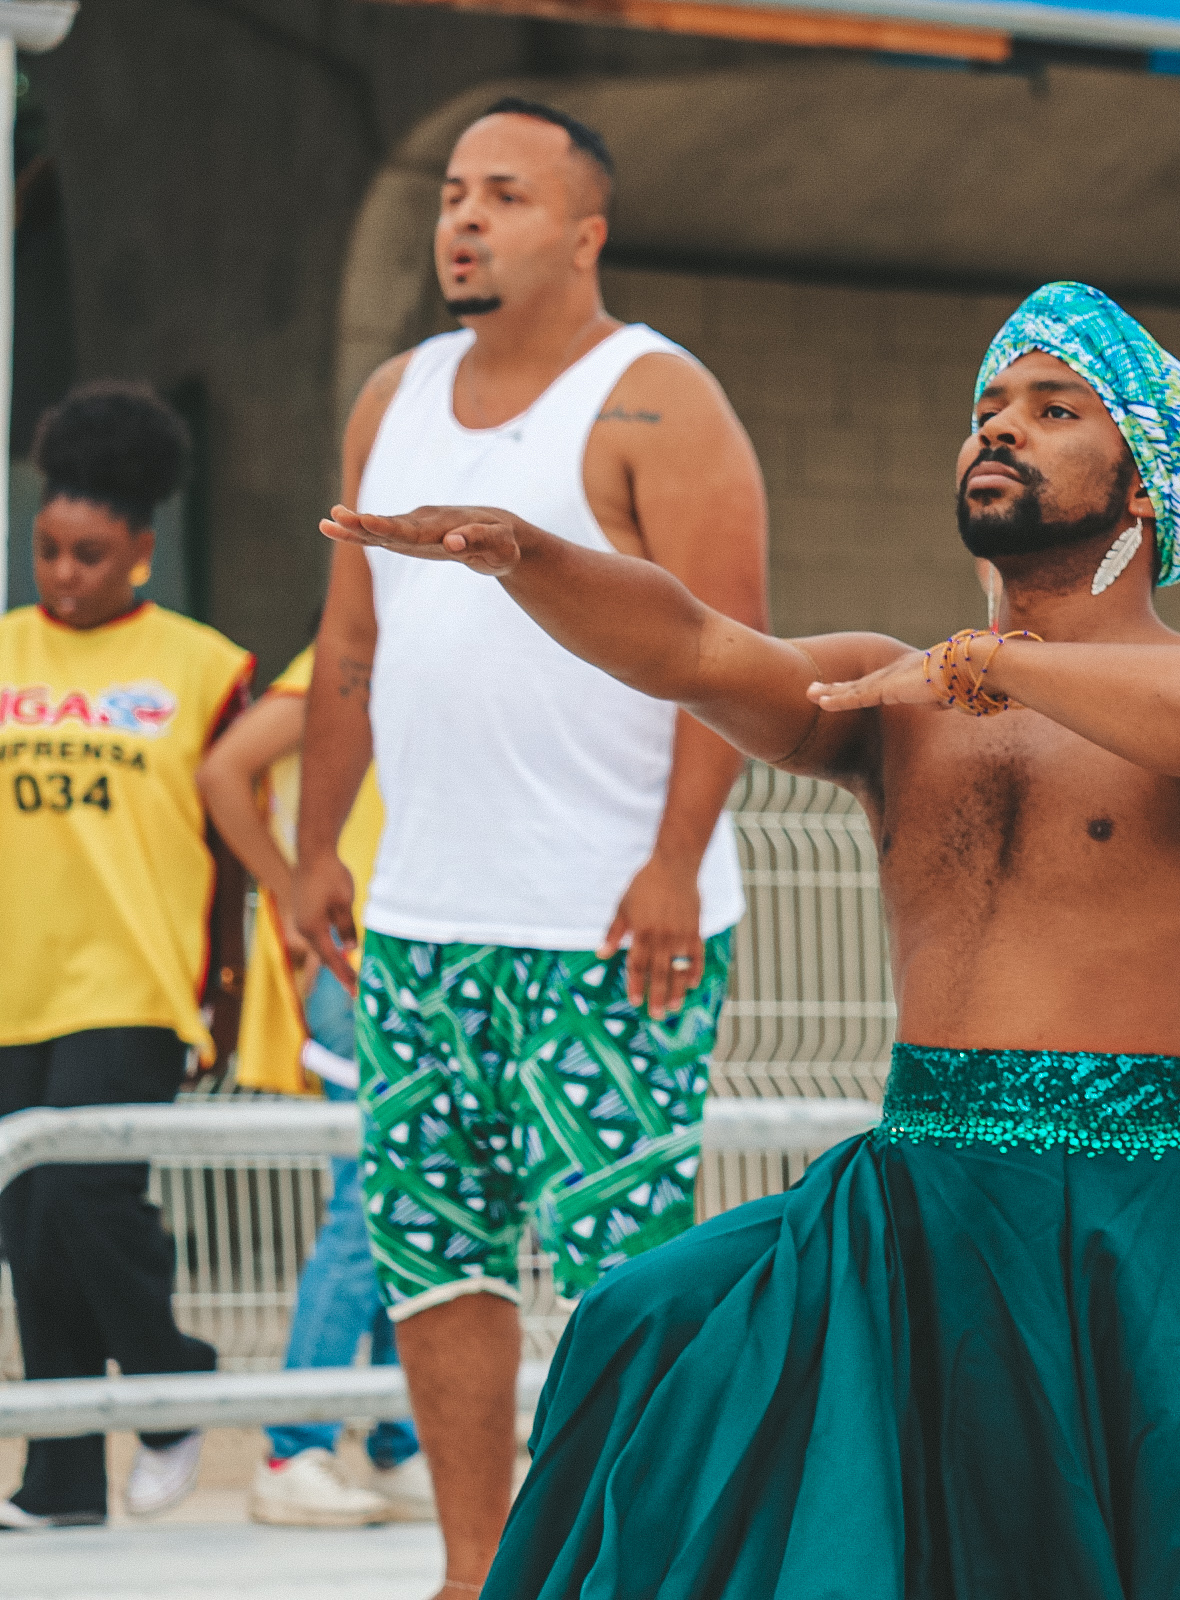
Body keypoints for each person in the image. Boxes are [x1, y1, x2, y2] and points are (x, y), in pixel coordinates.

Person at [318, 279, 1180, 1599]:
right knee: (646, 1320)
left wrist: (996, 663)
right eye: (988, 407)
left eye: (1054, 408)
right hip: (917, 1202)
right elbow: (693, 648)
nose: (999, 427)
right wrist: (531, 557)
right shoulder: (896, 697)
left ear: (1146, 485)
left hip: (1138, 1217)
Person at [289, 98, 765, 1593]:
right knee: (434, 1248)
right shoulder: (395, 395)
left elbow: (733, 657)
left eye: (504, 194)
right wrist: (314, 847)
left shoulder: (655, 400)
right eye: (452, 193)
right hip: (426, 917)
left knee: (623, 1267)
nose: (464, 219)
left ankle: (621, 1567)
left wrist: (676, 858)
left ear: (584, 232)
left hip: (609, 923)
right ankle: (474, 1568)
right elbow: (350, 643)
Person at [0, 383, 249, 1528]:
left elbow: (234, 849)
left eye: (90, 555)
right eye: (48, 550)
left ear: (142, 549)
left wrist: (229, 991)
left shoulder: (206, 666)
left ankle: (171, 1375)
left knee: (82, 1196)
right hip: (15, 984)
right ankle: (60, 1479)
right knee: (27, 1227)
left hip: (135, 983)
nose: (63, 574)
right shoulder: (6, 650)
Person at [197, 636, 433, 1526]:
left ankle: (399, 1441)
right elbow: (224, 771)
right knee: (372, 1203)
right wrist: (295, 888)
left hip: (416, 961)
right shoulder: (350, 657)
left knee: (415, 1202)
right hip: (357, 962)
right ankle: (293, 1450)